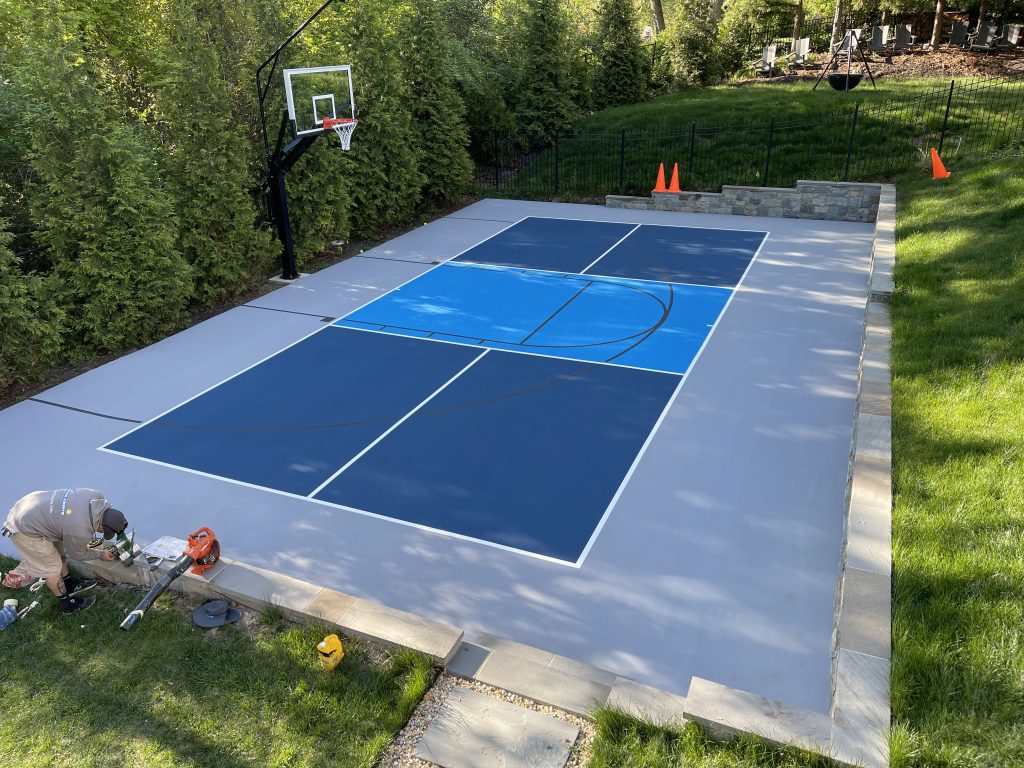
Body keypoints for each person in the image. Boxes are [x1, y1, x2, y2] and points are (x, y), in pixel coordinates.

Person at [1, 489, 127, 614]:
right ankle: (68, 605)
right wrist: (101, 554)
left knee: (59, 553)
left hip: (33, 508)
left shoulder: (95, 496)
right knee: (52, 568)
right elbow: (77, 554)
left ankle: (68, 583)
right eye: (103, 531)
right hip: (24, 528)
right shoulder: (80, 530)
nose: (101, 532)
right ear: (101, 525)